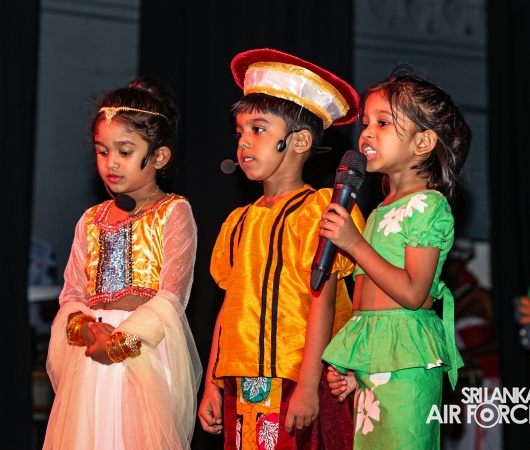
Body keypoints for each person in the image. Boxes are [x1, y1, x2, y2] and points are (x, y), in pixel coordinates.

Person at [197, 48, 366, 450]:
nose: (243, 142)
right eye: (240, 132)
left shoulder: (321, 210)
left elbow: (323, 299)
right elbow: (228, 307)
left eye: (258, 129)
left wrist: (308, 385)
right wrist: (211, 384)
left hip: (297, 377)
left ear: (300, 140)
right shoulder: (238, 221)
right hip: (239, 379)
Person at [43, 76, 202, 450]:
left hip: (141, 355)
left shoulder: (173, 212)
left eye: (125, 151)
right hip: (90, 359)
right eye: (102, 151)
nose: (110, 162)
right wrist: (86, 330)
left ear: (158, 157)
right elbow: (71, 295)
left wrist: (121, 343)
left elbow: (171, 297)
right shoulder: (91, 220)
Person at [321, 63, 471, 449]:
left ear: (423, 143)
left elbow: (412, 294)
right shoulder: (378, 211)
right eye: (365, 123)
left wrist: (354, 244)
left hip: (409, 367)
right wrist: (358, 370)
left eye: (383, 123)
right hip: (377, 367)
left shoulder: (428, 205)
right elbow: (370, 301)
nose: (367, 132)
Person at [441, 237, 502, 450]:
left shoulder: (480, 296)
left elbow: (503, 341)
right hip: (458, 389)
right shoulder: (439, 301)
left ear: (460, 263)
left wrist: (466, 355)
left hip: (486, 384)